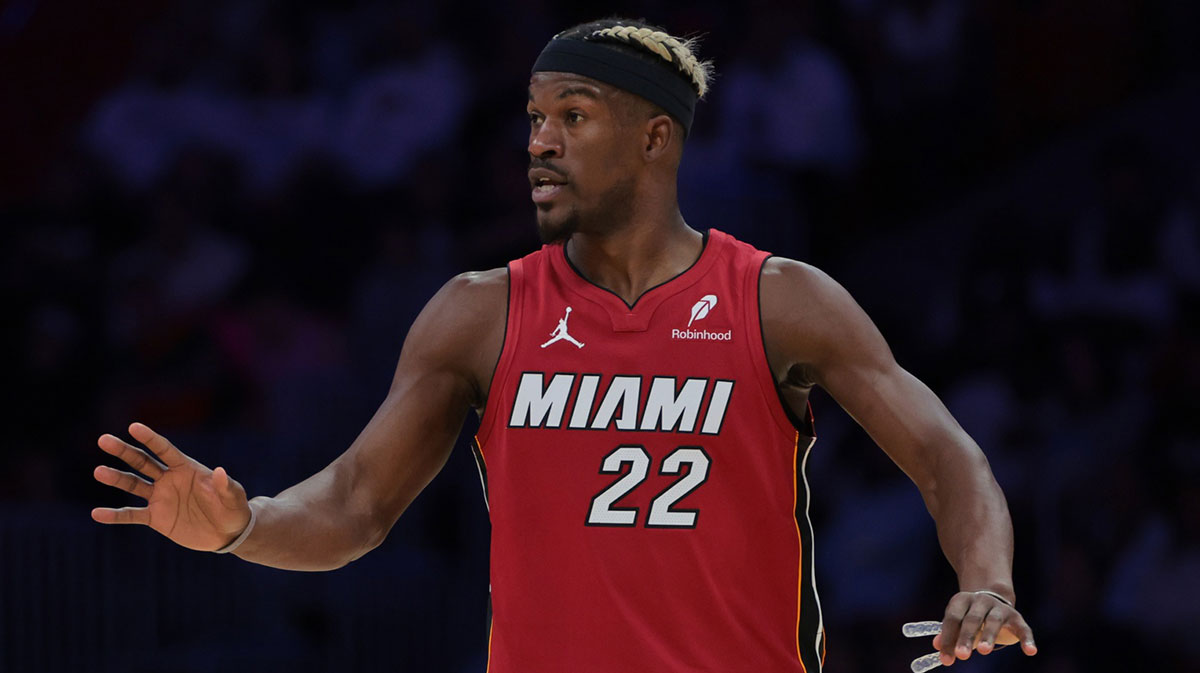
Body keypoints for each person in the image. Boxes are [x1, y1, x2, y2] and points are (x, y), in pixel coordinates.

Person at [92, 17, 1037, 672]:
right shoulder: (480, 310)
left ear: (654, 138)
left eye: (572, 118)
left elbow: (946, 454)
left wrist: (986, 580)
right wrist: (244, 525)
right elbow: (353, 502)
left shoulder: (777, 298)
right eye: (535, 120)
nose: (540, 142)